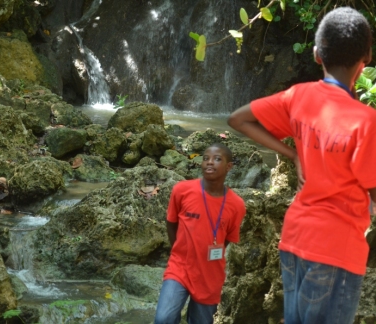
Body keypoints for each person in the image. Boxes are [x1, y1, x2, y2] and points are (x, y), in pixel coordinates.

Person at [227, 7, 376, 324]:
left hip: (294, 239)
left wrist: (292, 153)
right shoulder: (365, 121)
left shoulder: (298, 96)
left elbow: (238, 119)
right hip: (337, 250)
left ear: (317, 54)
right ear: (367, 59)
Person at [154, 143, 246, 324]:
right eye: (205, 158)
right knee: (163, 318)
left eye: (217, 159)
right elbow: (171, 222)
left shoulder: (236, 205)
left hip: (210, 274)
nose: (209, 163)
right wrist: (179, 250)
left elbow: (227, 239)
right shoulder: (182, 190)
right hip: (180, 267)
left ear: (229, 167)